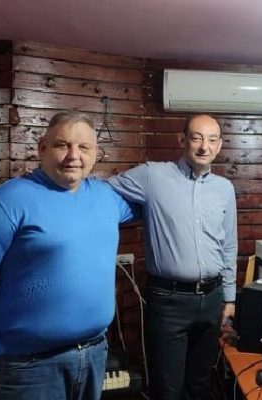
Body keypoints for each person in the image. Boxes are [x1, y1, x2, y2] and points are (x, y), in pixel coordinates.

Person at [0, 111, 135, 400]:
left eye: (84, 147)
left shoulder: (106, 197)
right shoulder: (9, 200)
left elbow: (156, 205)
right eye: (63, 145)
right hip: (26, 366)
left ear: (95, 154)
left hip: (94, 354)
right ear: (43, 148)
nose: (74, 156)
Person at [108, 113, 237, 400]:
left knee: (200, 386)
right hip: (168, 302)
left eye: (212, 140)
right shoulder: (152, 176)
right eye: (197, 138)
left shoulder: (224, 189)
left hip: (212, 299)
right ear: (182, 140)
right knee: (167, 390)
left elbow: (228, 245)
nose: (204, 146)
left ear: (219, 145)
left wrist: (229, 298)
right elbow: (104, 189)